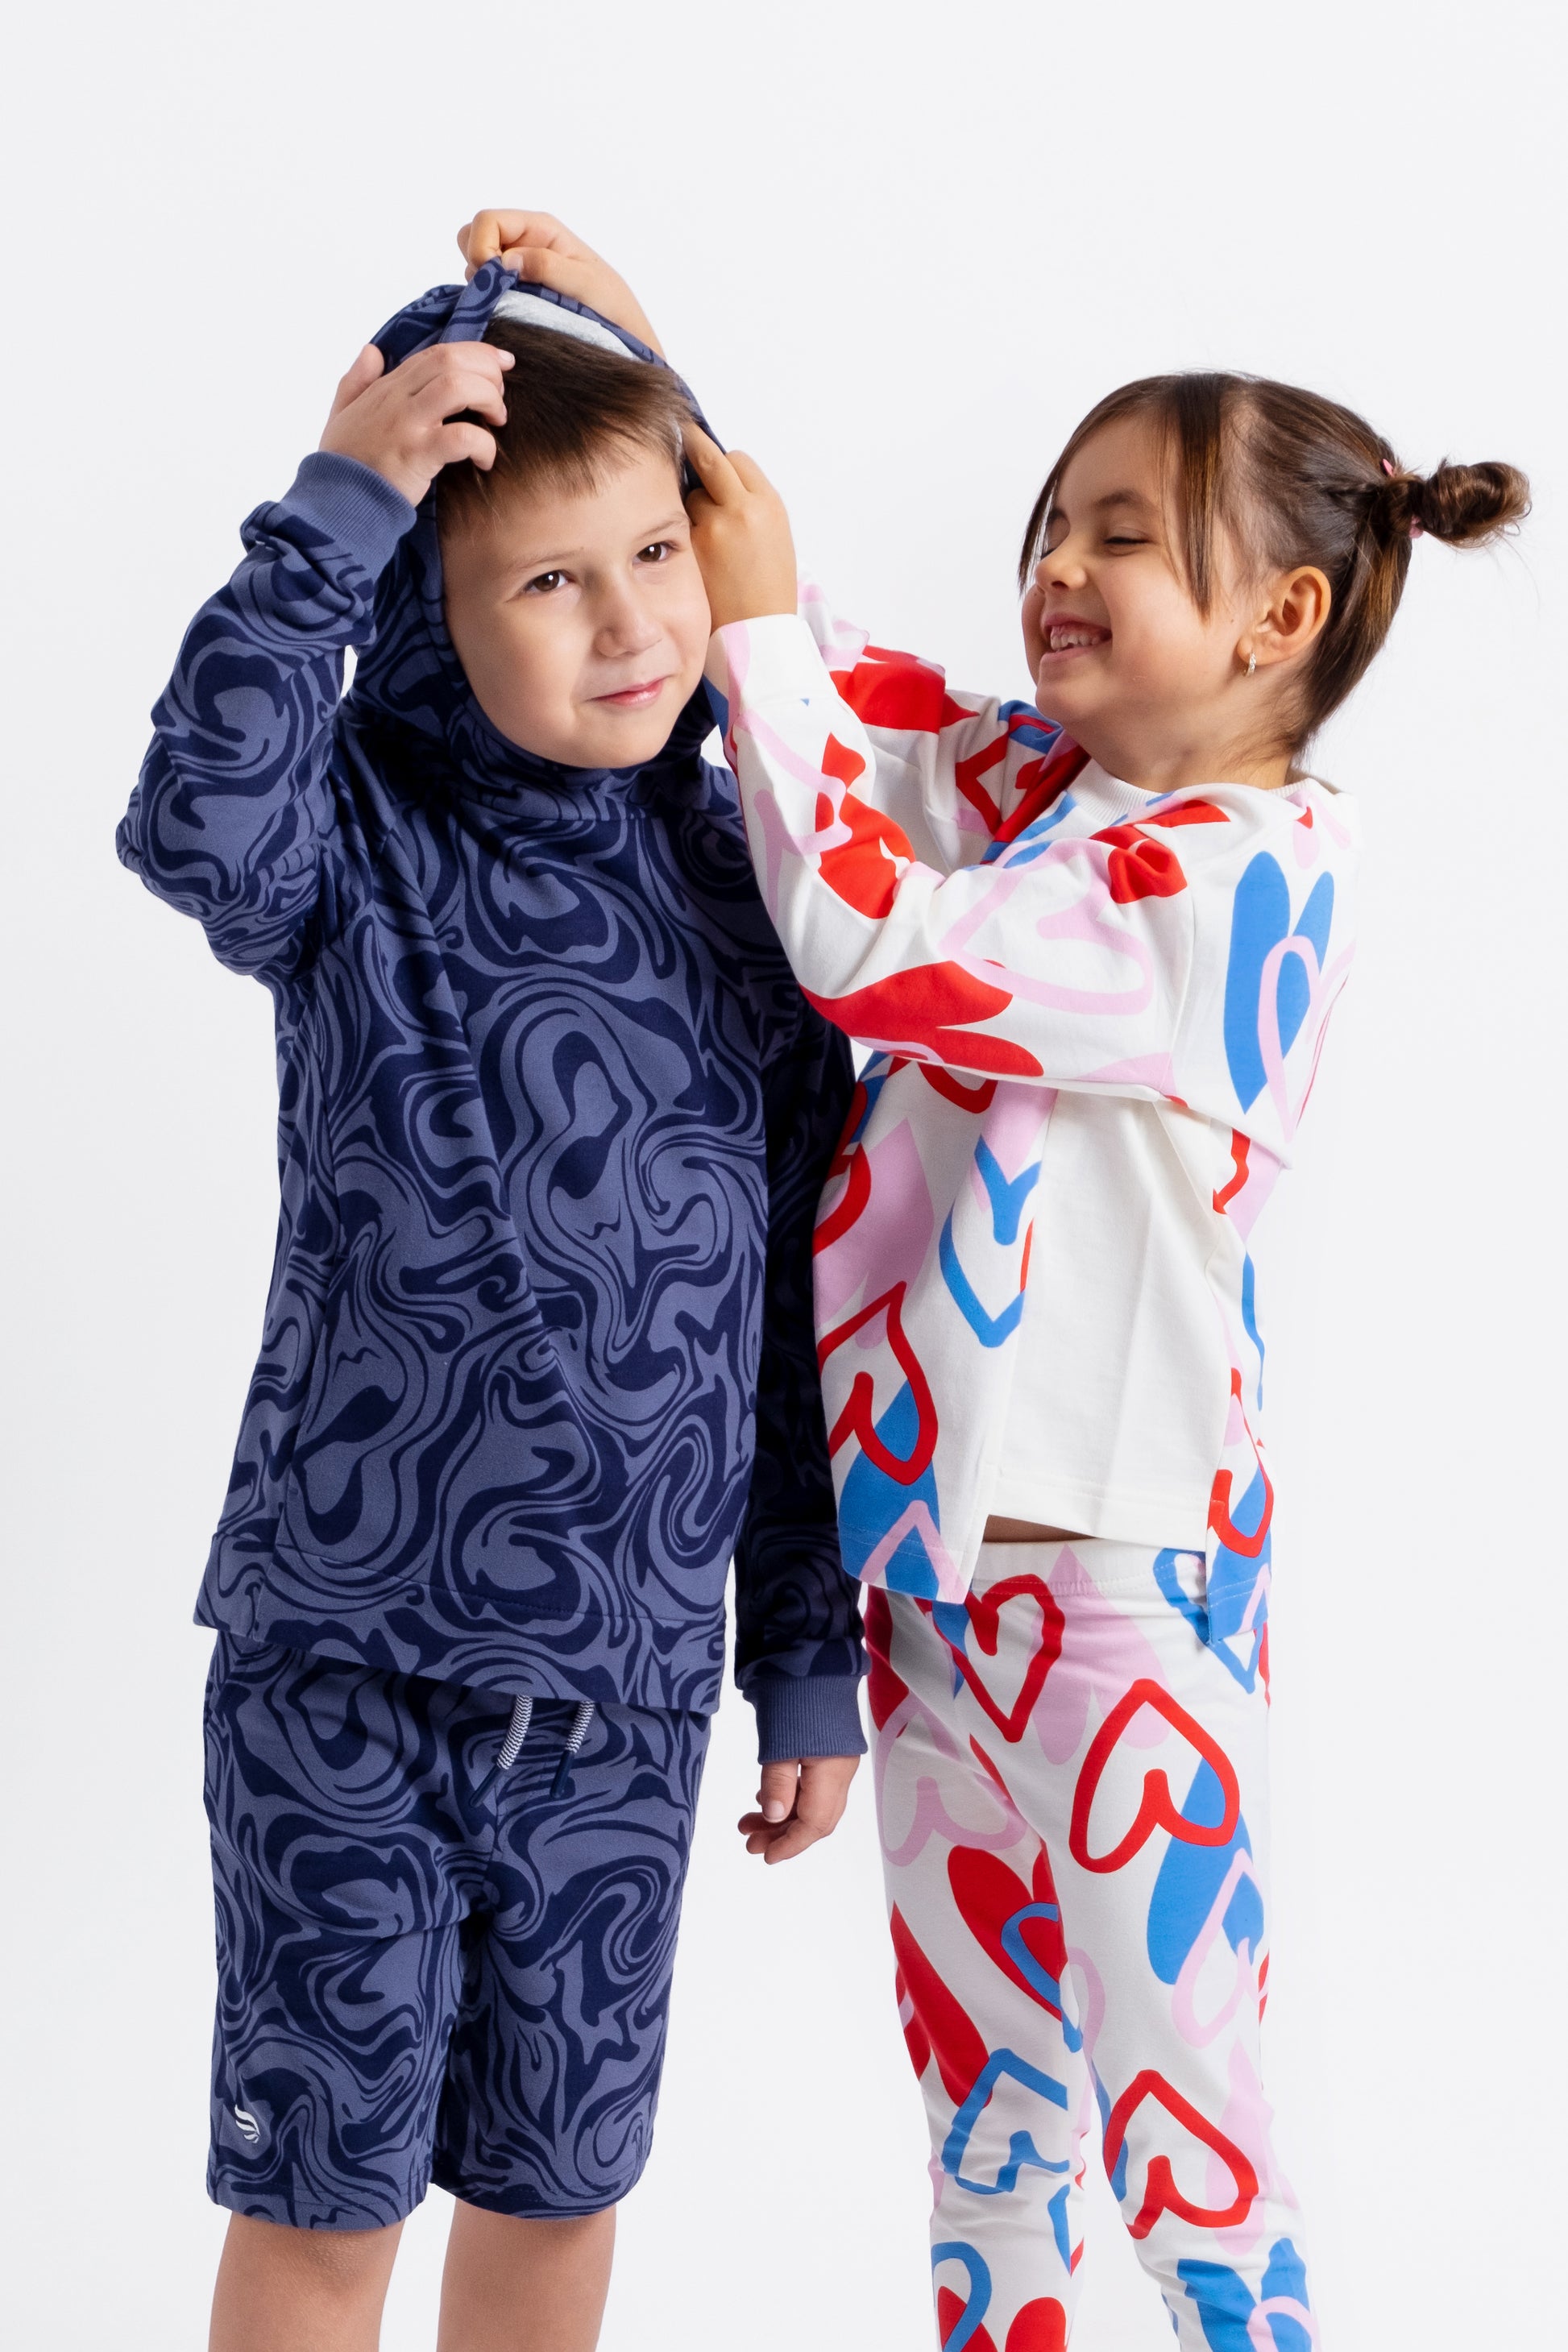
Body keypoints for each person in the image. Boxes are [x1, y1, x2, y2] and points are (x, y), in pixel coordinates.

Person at [458, 214, 1529, 2349]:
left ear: (1280, 617)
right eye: (1051, 523)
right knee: (989, 2134)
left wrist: (770, 648)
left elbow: (866, 933)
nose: (1055, 562)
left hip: (1123, 1607)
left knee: (1186, 2150)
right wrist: (658, 394)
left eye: (1121, 534)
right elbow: (828, 686)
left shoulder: (1230, 886)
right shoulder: (1054, 793)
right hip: (940, 1600)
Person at [117, 257, 865, 2352]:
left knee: (557, 2198)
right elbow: (192, 826)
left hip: (624, 1698)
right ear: (427, 613)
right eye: (548, 582)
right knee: (322, 2203)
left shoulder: (757, 884)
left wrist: (804, 1655)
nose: (630, 624)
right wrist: (333, 510)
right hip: (342, 1667)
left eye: (654, 558)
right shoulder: (350, 836)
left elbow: (796, 1321)